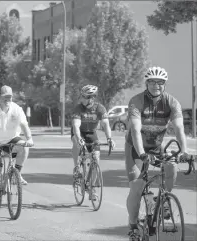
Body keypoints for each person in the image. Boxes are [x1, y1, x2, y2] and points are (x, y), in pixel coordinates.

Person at [125, 66, 190, 241]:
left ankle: (165, 200)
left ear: (165, 85)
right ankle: (133, 226)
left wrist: (184, 151)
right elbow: (136, 131)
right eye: (152, 82)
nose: (156, 86)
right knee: (137, 187)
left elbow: (178, 128)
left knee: (171, 166)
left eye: (160, 82)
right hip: (136, 148)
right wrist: (142, 154)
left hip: (157, 145)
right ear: (146, 83)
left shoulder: (171, 102)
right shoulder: (136, 101)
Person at [0, 85, 34, 205]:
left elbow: (24, 125)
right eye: (5, 97)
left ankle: (17, 173)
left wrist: (29, 139)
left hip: (11, 138)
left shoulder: (17, 109)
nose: (7, 100)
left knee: (23, 147)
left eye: (9, 97)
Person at [71, 84, 115, 200]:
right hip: (79, 132)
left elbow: (106, 124)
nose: (83, 99)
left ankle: (92, 188)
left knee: (96, 158)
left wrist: (109, 138)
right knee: (77, 143)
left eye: (86, 97)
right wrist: (79, 137)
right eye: (83, 96)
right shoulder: (78, 108)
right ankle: (76, 167)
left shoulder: (99, 108)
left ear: (92, 98)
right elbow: (76, 125)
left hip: (91, 133)